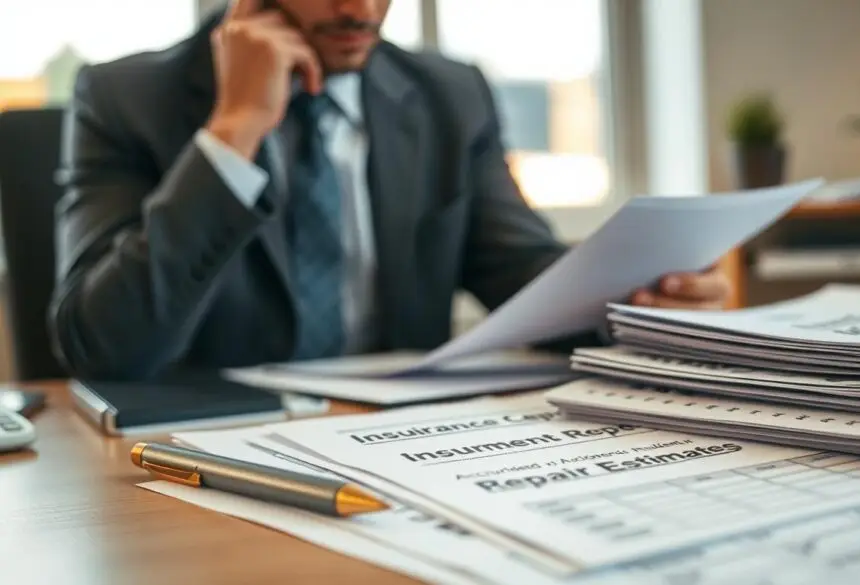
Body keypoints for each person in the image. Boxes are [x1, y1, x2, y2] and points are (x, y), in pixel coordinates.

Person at [49, 0, 731, 380]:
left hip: (403, 446)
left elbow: (522, 277)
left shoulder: (449, 95)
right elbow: (106, 345)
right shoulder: (125, 98)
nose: (360, 8)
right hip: (196, 461)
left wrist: (642, 301)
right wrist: (233, 132)